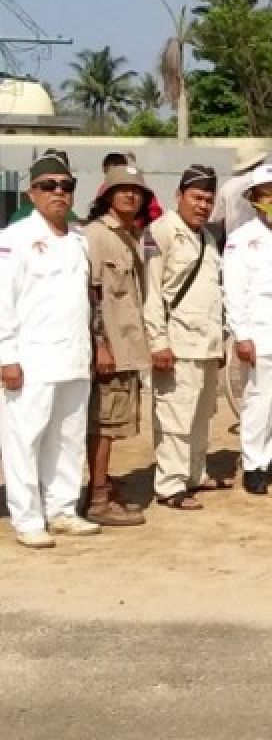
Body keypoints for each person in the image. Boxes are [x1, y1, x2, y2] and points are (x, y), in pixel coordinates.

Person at [0, 150, 100, 547]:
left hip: (74, 356)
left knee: (68, 437)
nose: (59, 192)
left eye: (66, 186)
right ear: (31, 192)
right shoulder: (15, 239)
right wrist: (6, 356)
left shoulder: (78, 239)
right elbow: (3, 301)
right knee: (25, 439)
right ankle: (27, 518)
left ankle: (62, 509)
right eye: (49, 186)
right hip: (32, 358)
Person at [144, 164, 225, 511]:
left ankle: (194, 473)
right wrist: (158, 341)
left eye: (208, 199)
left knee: (200, 414)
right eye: (196, 197)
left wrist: (220, 342)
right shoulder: (161, 231)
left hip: (205, 342)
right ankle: (171, 485)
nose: (203, 205)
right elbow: (151, 290)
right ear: (179, 196)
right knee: (175, 416)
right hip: (176, 343)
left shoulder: (207, 237)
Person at [81, 164, 154, 527]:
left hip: (127, 346)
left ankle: (102, 484)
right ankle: (97, 498)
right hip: (109, 348)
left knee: (112, 422)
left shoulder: (128, 235)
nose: (130, 195)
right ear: (107, 195)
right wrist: (100, 345)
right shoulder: (97, 236)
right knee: (103, 425)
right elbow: (91, 295)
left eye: (136, 190)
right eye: (122, 189)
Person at [224, 165, 272, 496]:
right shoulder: (242, 239)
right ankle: (255, 463)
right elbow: (233, 289)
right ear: (254, 199)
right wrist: (241, 334)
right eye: (267, 193)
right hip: (260, 333)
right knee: (260, 400)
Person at [211, 147, 268, 245]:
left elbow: (215, 220)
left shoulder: (227, 187)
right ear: (260, 162)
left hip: (234, 245)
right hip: (262, 244)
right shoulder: (267, 183)